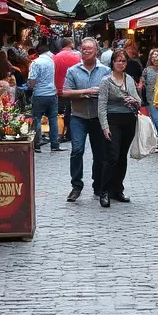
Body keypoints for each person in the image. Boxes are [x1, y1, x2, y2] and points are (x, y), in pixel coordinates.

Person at [62, 37, 111, 202]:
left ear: (96, 50)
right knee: (77, 150)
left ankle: (98, 185)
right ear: (80, 51)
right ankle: (76, 186)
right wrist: (85, 92)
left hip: (98, 117)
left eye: (90, 49)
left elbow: (110, 92)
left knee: (100, 154)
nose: (87, 51)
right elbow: (65, 92)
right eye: (84, 49)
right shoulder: (73, 70)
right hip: (78, 116)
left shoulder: (105, 70)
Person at [97, 48, 142, 208]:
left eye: (123, 61)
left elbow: (139, 100)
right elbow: (101, 106)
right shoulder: (106, 81)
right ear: (113, 63)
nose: (120, 64)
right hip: (112, 120)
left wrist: (134, 100)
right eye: (118, 61)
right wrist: (105, 127)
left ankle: (118, 189)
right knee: (112, 157)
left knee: (122, 156)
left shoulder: (128, 79)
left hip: (128, 120)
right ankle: (104, 191)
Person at [28, 40, 62, 154]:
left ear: (38, 53)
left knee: (37, 119)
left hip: (39, 94)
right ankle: (55, 144)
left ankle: (37, 145)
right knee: (53, 119)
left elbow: (32, 79)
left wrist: (30, 86)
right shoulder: (51, 61)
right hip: (52, 94)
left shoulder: (35, 63)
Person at [53, 37, 82, 143]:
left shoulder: (56, 57)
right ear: (71, 44)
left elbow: (54, 72)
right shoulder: (77, 55)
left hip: (59, 88)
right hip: (75, 88)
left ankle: (62, 132)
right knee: (72, 111)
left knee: (60, 112)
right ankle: (71, 132)